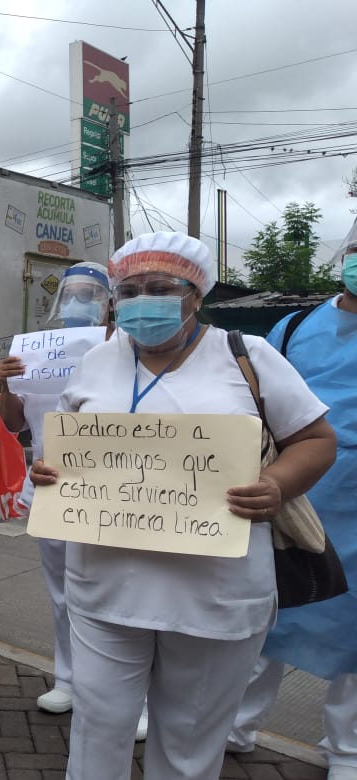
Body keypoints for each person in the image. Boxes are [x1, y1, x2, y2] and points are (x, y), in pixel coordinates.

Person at [29, 232, 336, 780]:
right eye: (131, 289)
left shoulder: (247, 355)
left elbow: (315, 440)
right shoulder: (99, 360)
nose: (143, 299)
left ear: (196, 294)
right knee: (98, 726)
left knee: (190, 742)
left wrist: (278, 485)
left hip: (214, 593)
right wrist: (49, 471)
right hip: (104, 585)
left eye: (161, 287)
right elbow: (63, 449)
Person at [229, 233, 357, 779]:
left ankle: (346, 750)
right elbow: (259, 402)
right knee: (268, 612)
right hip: (297, 493)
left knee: (354, 631)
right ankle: (234, 724)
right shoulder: (296, 327)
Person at [0, 263, 114, 715]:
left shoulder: (125, 349)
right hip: (51, 487)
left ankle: (131, 694)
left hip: (115, 494)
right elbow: (13, 423)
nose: (78, 302)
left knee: (118, 593)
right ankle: (67, 678)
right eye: (72, 293)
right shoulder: (38, 352)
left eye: (90, 293)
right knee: (63, 592)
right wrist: (6, 382)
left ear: (108, 303)